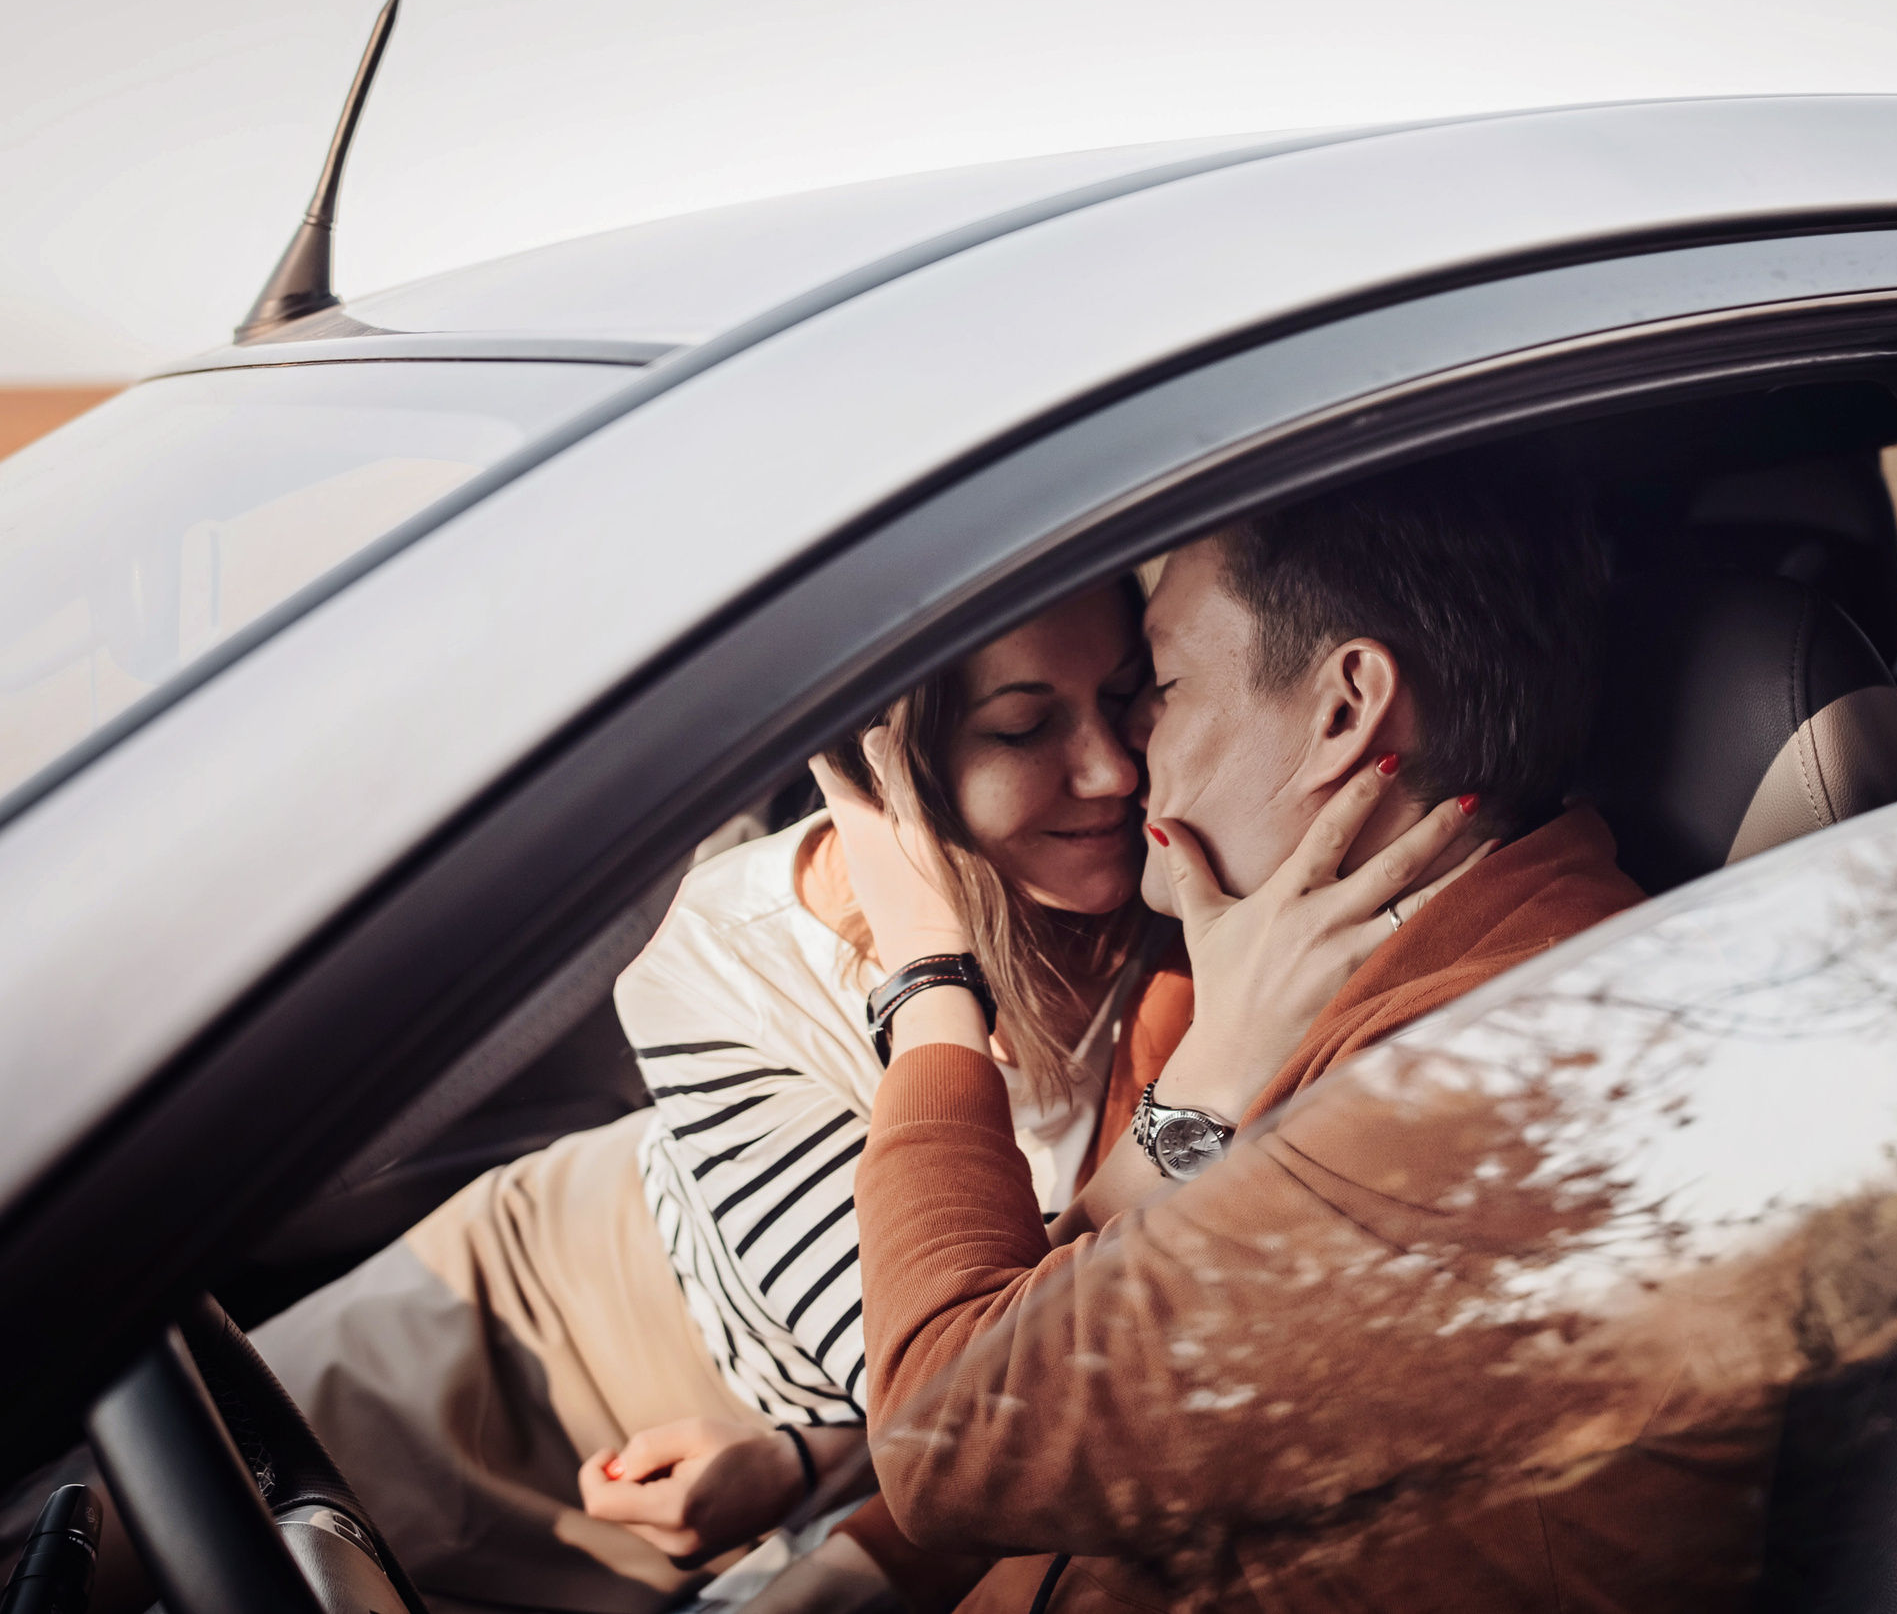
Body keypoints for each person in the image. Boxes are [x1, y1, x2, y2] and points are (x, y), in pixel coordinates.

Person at [794, 459, 1773, 1612]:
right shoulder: (1339, 980)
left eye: (1157, 683)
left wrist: (928, 973)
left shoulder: (1488, 1084)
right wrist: (845, 1576)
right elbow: (1071, 1342)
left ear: (1344, 710)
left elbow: (953, 1443)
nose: (1125, 753)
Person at [244, 578, 1190, 1614]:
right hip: (531, 1311)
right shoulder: (719, 956)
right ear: (883, 764)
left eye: (1125, 694)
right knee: (122, 1517)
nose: (1110, 768)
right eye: (1021, 726)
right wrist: (930, 970)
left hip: (786, 1457)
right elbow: (962, 1383)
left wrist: (801, 1460)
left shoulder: (1171, 898)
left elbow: (995, 1413)